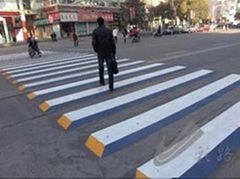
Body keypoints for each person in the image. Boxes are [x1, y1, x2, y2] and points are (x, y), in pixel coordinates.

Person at [92, 17, 116, 91]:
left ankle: (102, 80)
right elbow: (113, 43)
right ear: (103, 22)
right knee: (110, 69)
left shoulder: (95, 31)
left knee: (101, 66)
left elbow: (94, 43)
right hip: (109, 51)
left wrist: (96, 50)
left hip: (100, 52)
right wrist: (114, 53)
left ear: (98, 23)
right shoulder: (109, 31)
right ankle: (111, 85)